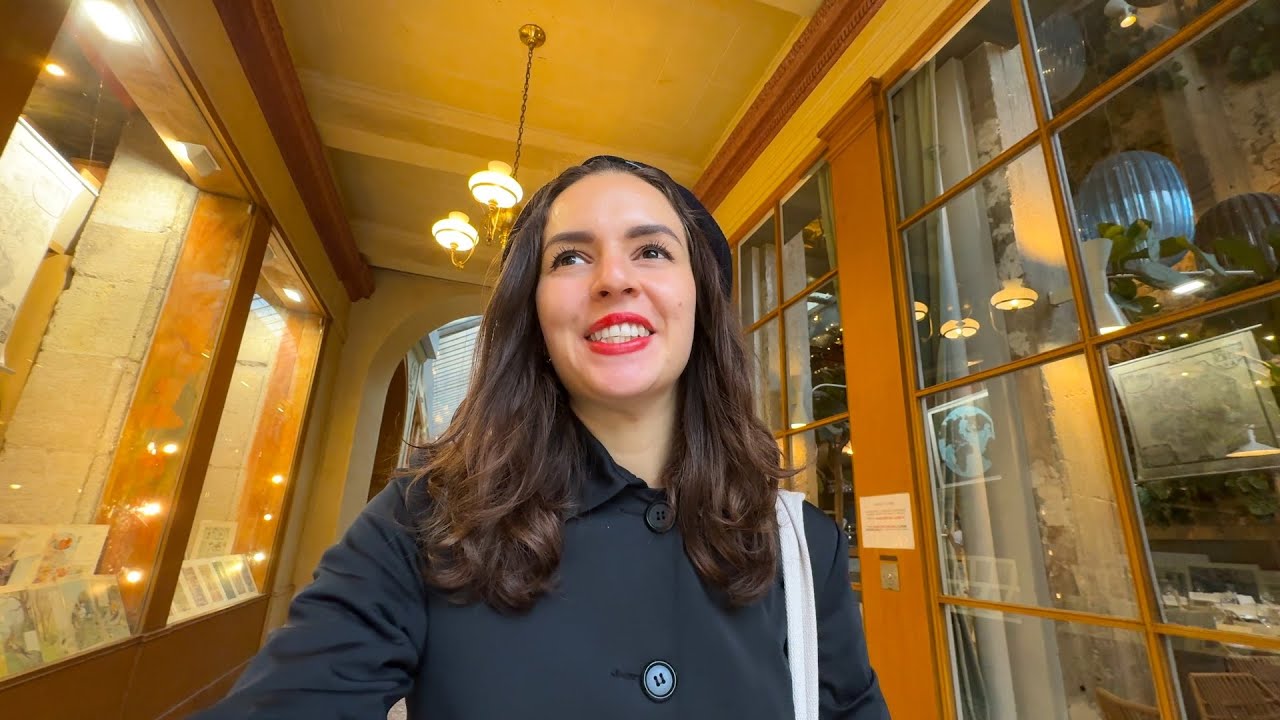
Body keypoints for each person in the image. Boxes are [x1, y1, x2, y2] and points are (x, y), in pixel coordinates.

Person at [193, 156, 889, 719]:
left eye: (651, 250)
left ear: (700, 301)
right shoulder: (423, 522)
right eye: (570, 259)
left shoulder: (803, 546)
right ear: (533, 313)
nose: (614, 278)